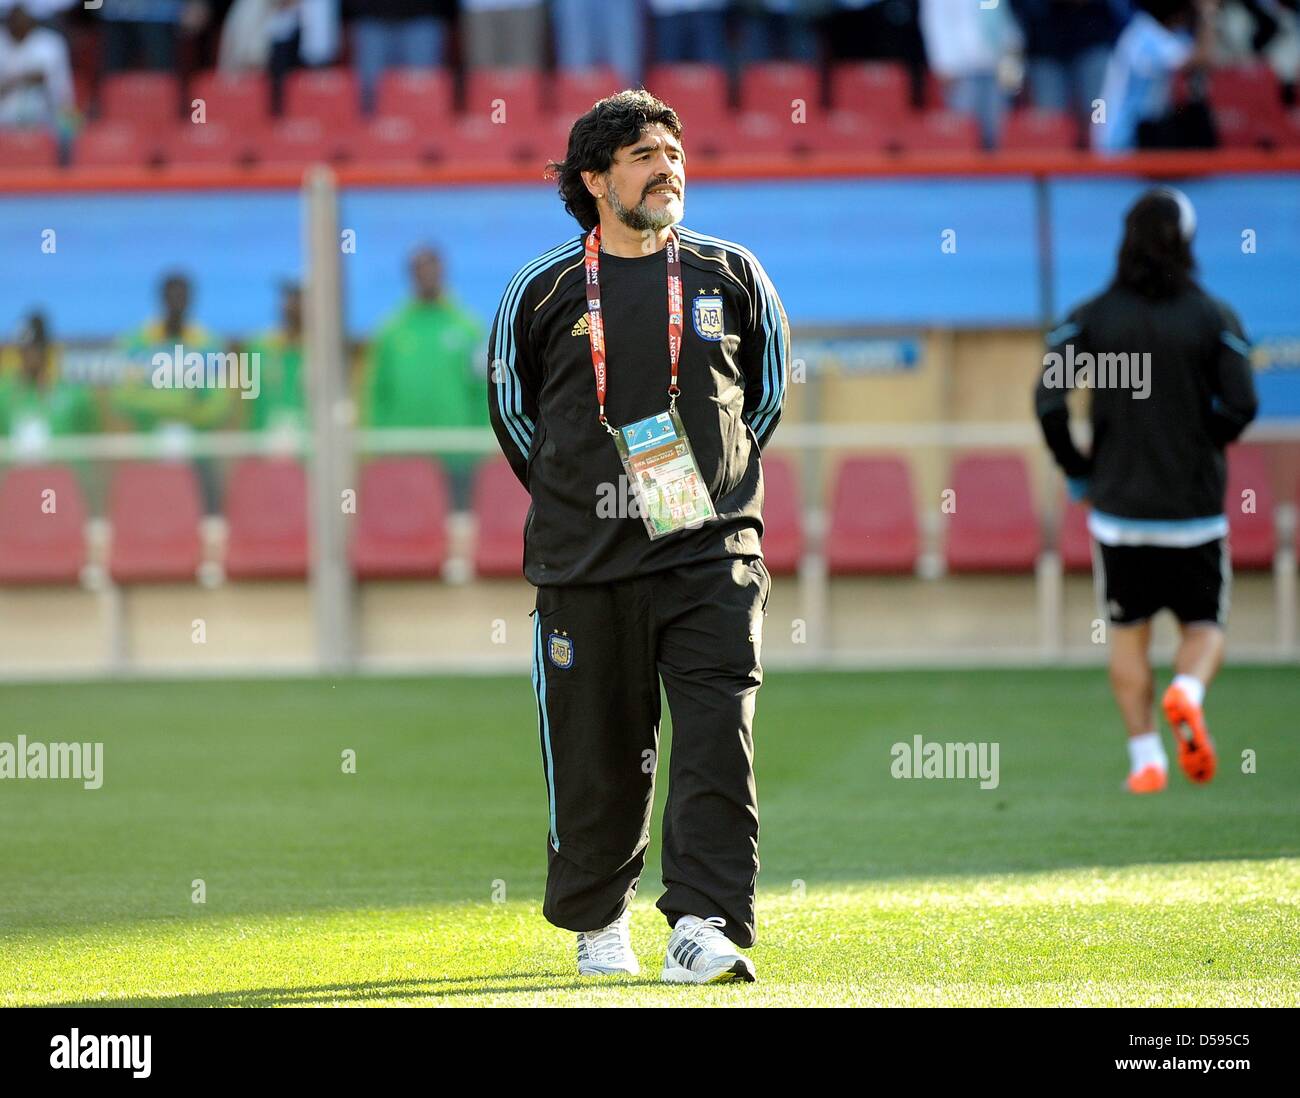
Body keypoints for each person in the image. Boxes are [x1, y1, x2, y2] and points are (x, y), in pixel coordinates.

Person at [487, 90, 789, 983]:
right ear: (594, 178)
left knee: (714, 742)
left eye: (674, 153)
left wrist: (711, 496)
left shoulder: (730, 273)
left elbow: (762, 399)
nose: (668, 169)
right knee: (597, 758)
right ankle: (600, 919)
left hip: (710, 557)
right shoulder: (539, 291)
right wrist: (586, 501)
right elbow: (516, 420)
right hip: (587, 568)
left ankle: (702, 922)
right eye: (644, 156)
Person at [1034, 186, 1258, 795]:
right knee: (1203, 626)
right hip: (1195, 513)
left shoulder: (1091, 316)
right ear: (1185, 241)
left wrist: (1078, 469)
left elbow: (1049, 399)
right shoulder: (1214, 318)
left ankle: (1145, 761)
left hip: (1120, 514)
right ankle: (1187, 693)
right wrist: (1200, 443)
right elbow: (1242, 405)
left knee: (1128, 632)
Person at [362, 246, 487, 509]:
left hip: (457, 459)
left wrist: (481, 450)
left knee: (458, 532)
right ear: (411, 275)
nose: (427, 275)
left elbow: (482, 394)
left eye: (432, 268)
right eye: (420, 269)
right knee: (405, 532)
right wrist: (377, 448)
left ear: (442, 272)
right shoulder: (391, 332)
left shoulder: (468, 328)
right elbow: (376, 393)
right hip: (403, 458)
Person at [1092, 0, 1218, 152]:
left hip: (1145, 134)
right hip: (1120, 140)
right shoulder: (1144, 35)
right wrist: (1207, 13)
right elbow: (1202, 59)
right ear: (1178, 16)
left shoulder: (1164, 35)